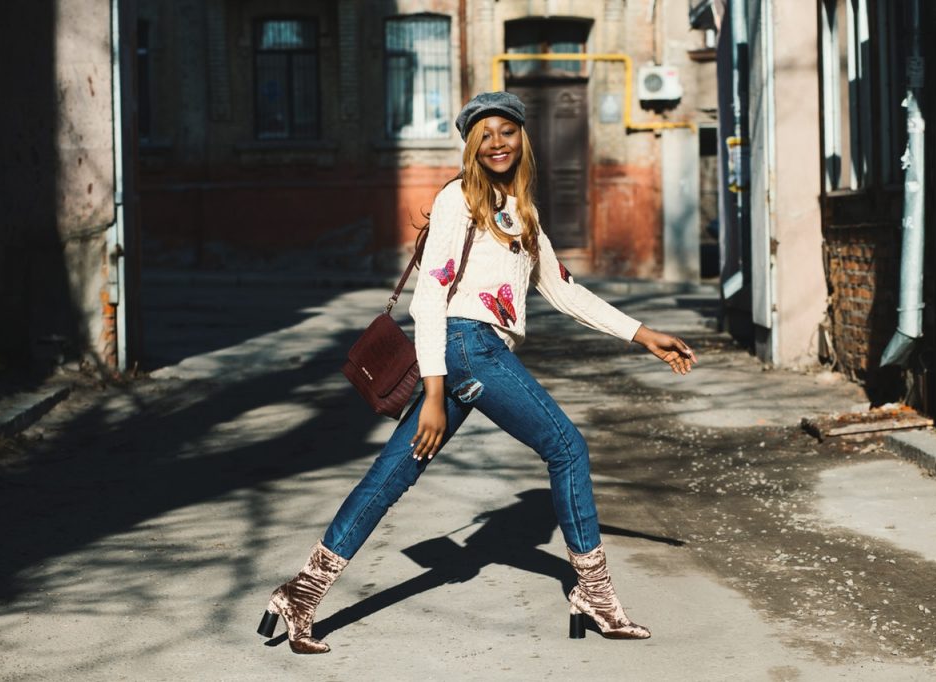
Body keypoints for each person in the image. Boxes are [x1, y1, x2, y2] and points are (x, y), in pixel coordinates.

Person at [256, 92, 697, 654]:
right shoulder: (459, 199)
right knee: (567, 449)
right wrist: (435, 392)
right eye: (483, 134)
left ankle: (301, 593)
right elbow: (429, 298)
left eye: (506, 131)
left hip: (472, 351)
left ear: (522, 138)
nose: (496, 143)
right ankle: (595, 593)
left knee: (391, 476)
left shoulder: (519, 209)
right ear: (471, 145)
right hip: (468, 349)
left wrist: (643, 334)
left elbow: (563, 290)